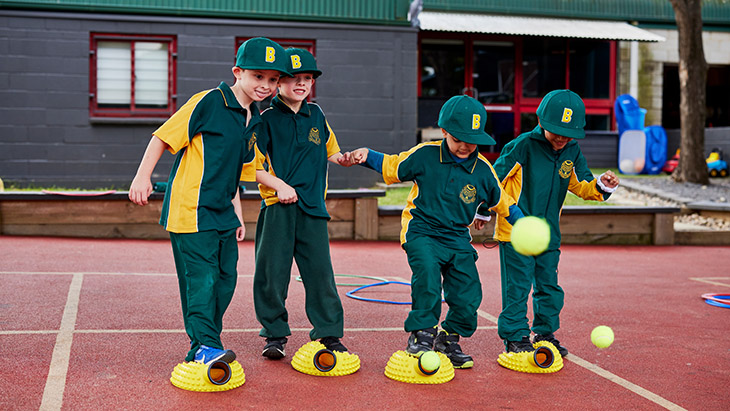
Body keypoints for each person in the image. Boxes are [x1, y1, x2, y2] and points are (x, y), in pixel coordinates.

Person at [128, 37, 290, 366]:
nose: (266, 85)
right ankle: (204, 344)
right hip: (191, 209)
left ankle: (207, 342)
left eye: (273, 80)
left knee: (226, 279)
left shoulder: (253, 117)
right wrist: (142, 177)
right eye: (258, 76)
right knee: (201, 280)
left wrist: (238, 214)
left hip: (222, 213)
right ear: (238, 72)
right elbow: (162, 136)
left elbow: (243, 170)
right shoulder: (208, 102)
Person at [341, 95, 524, 368]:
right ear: (444, 132)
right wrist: (367, 156)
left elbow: (502, 201)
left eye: (472, 140)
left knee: (469, 293)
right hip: (421, 230)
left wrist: (521, 223)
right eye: (458, 139)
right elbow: (394, 166)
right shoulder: (426, 154)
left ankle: (448, 337)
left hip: (457, 237)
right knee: (427, 277)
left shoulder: (483, 169)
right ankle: (422, 334)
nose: (465, 146)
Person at [493, 89, 620, 357]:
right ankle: (515, 337)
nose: (562, 137)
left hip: (548, 234)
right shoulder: (523, 145)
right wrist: (485, 211)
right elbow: (493, 182)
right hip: (516, 233)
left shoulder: (571, 150)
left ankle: (545, 334)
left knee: (549, 287)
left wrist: (602, 185)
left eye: (568, 132)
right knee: (517, 287)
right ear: (540, 121)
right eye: (555, 130)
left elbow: (583, 184)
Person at [252, 48, 352, 360]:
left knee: (321, 274)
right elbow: (253, 168)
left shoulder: (318, 115)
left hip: (312, 210)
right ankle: (274, 334)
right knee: (272, 274)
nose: (302, 83)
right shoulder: (264, 120)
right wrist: (280, 186)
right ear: (278, 82)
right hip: (278, 209)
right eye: (294, 78)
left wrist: (347, 159)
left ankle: (328, 334)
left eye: (307, 78)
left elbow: (332, 152)